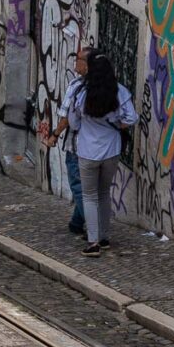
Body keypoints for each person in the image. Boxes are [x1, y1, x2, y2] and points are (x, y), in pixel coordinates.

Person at [67, 51, 137, 257]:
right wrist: (116, 124)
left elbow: (73, 122)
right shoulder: (120, 91)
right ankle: (105, 237)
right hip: (111, 151)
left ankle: (93, 241)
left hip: (88, 150)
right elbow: (131, 118)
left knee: (89, 196)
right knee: (104, 193)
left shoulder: (81, 92)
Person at [46, 47, 93, 237]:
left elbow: (66, 117)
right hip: (99, 148)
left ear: (87, 64)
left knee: (78, 186)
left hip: (77, 145)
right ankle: (76, 222)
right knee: (86, 187)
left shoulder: (77, 86)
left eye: (78, 60)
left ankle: (94, 229)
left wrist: (55, 134)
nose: (75, 65)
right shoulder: (109, 87)